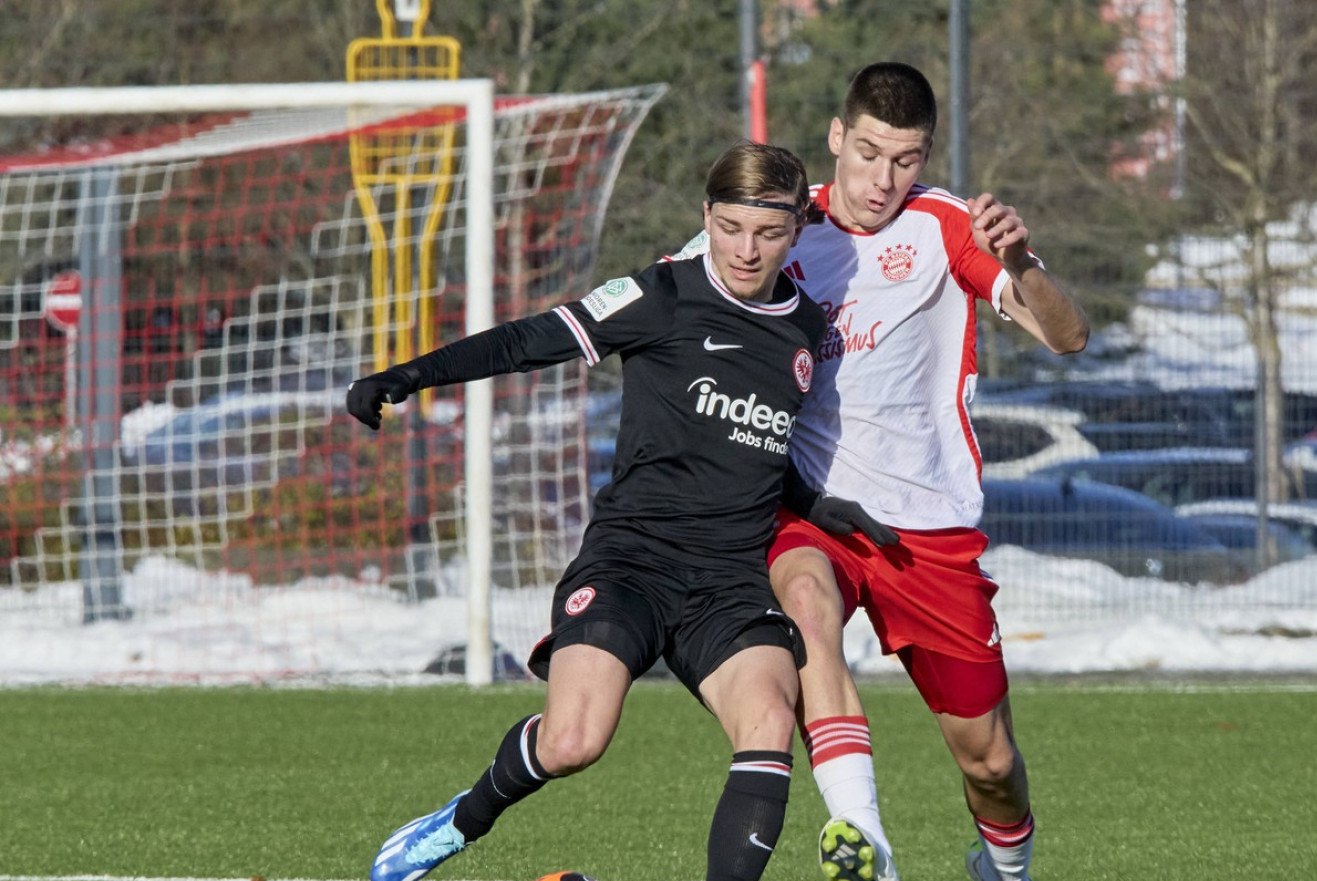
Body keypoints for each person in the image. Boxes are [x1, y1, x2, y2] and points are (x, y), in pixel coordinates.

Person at [350, 141, 848, 881]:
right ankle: (460, 821)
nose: (747, 250)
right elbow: (529, 339)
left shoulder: (806, 330)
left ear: (797, 230)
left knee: (772, 722)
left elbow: (761, 458)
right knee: (572, 741)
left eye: (768, 234)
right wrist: (412, 373)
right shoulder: (661, 295)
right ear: (705, 217)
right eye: (731, 227)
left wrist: (835, 512)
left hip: (730, 578)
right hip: (632, 561)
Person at [671, 62, 1090, 881]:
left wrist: (1024, 261)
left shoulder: (945, 226)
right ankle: (865, 838)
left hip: (927, 530)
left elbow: (1066, 337)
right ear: (836, 137)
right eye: (867, 153)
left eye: (905, 158)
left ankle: (1004, 867)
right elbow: (672, 288)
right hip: (813, 513)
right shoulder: (782, 224)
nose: (881, 178)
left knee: (989, 762)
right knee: (805, 605)